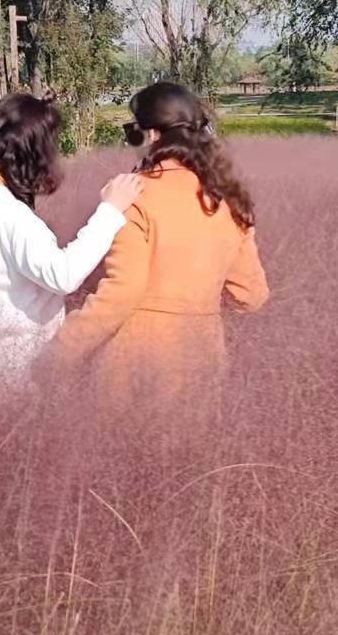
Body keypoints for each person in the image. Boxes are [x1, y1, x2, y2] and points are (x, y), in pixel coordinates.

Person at [48, 82, 268, 412]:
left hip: (135, 366)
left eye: (131, 132)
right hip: (205, 363)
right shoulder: (230, 201)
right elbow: (252, 296)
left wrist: (54, 358)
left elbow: (119, 297)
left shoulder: (135, 197)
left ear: (151, 135)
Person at [0, 95, 144, 389]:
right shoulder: (5, 212)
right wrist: (110, 209)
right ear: (28, 150)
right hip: (14, 381)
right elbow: (63, 276)